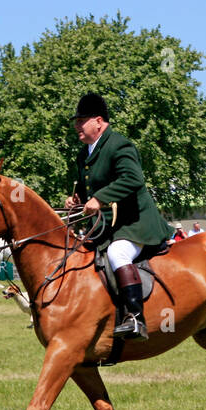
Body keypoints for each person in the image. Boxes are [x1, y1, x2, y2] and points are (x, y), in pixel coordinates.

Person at [65, 92, 174, 340]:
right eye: (76, 121)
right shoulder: (84, 154)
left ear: (99, 121)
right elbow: (87, 191)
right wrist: (76, 200)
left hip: (135, 222)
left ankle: (135, 317)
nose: (76, 126)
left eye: (81, 120)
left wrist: (100, 198)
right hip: (105, 227)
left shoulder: (119, 144)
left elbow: (133, 179)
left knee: (117, 253)